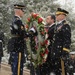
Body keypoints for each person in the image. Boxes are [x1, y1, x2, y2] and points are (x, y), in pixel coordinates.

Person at [8, 3, 28, 75]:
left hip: (14, 46)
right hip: (18, 47)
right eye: (23, 11)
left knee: (14, 68)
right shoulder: (18, 21)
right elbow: (23, 34)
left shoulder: (14, 19)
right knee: (18, 68)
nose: (23, 12)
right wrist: (32, 32)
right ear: (19, 11)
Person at [50, 8, 71, 75]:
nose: (56, 16)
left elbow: (67, 40)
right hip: (55, 53)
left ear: (63, 15)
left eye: (58, 14)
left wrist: (64, 53)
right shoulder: (57, 26)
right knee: (56, 72)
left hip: (60, 53)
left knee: (62, 72)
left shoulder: (65, 26)